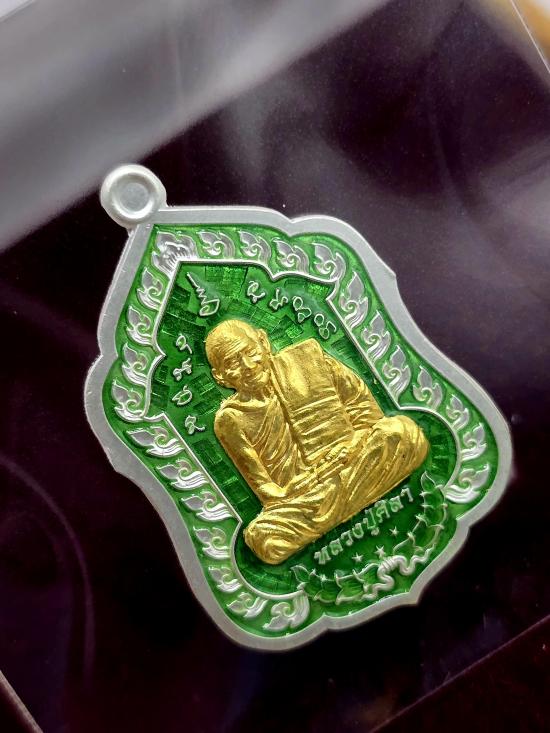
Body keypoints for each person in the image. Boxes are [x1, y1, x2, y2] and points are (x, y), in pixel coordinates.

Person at [205, 319, 428, 565]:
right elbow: (267, 491)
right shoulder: (230, 420)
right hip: (309, 497)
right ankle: (349, 501)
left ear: (264, 342)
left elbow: (366, 413)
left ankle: (336, 509)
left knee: (402, 432)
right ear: (220, 376)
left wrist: (352, 445)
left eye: (250, 352)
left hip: (353, 462)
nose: (248, 366)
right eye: (233, 363)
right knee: (263, 539)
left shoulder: (308, 361)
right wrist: (296, 487)